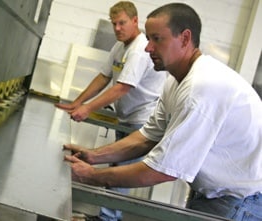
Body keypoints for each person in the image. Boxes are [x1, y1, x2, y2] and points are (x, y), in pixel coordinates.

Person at [64, 2, 262, 221]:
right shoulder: (175, 81)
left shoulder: (202, 87)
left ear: (185, 39)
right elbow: (146, 137)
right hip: (214, 194)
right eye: (148, 39)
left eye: (156, 39)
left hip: (241, 202)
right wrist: (95, 156)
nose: (148, 48)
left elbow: (162, 170)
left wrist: (92, 176)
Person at [55, 1, 166, 220]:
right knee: (117, 167)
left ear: (135, 21)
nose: (117, 28)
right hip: (127, 118)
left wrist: (87, 109)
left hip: (142, 122)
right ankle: (106, 217)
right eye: (114, 23)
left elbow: (123, 87)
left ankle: (108, 218)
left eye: (122, 23)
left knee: (120, 173)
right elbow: (104, 76)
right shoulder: (121, 46)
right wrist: (77, 103)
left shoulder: (138, 50)